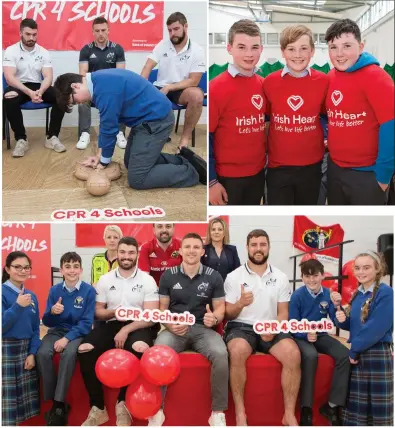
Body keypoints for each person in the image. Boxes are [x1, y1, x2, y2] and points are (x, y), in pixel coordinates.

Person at [54, 69, 205, 189]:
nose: (79, 103)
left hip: (157, 121)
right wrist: (99, 155)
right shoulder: (98, 81)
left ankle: (191, 172)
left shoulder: (105, 90)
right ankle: (181, 160)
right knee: (130, 163)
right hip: (144, 121)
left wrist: (103, 163)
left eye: (74, 101)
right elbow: (106, 125)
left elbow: (109, 129)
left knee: (138, 178)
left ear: (75, 86)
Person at [78, 237, 160, 426]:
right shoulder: (105, 280)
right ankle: (98, 408)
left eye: (131, 253)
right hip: (112, 323)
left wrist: (127, 329)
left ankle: (122, 403)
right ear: (117, 254)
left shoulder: (147, 280)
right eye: (123, 252)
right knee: (85, 348)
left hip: (138, 325)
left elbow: (151, 316)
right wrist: (114, 312)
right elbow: (98, 312)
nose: (126, 256)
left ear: (137, 255)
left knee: (139, 347)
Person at [149, 233, 228, 427]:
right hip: (174, 329)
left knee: (220, 353)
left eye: (195, 247)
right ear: (181, 250)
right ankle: (156, 410)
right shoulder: (168, 275)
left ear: (202, 251)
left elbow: (220, 308)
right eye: (187, 247)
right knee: (159, 353)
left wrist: (215, 317)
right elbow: (162, 308)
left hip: (203, 329)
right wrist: (169, 323)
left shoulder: (214, 276)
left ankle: (217, 413)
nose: (191, 251)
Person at [224, 229, 300, 426]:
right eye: (254, 245)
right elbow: (228, 314)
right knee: (237, 350)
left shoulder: (281, 277)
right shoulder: (233, 276)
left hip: (271, 326)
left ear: (268, 247)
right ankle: (241, 414)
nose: (258, 249)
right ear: (247, 248)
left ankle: (289, 415)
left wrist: (275, 328)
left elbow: (283, 312)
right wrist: (240, 303)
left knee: (293, 354)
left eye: (262, 245)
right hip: (241, 326)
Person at [325, 19, 395, 205]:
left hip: (368, 175)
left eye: (347, 46)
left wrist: (383, 175)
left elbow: (391, 126)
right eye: (333, 47)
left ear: (361, 46)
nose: (339, 54)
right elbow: (329, 116)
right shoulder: (331, 77)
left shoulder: (377, 77)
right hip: (335, 170)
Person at [263, 25, 328, 205]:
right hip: (278, 167)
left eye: (303, 48)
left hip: (312, 166)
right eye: (291, 49)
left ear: (312, 51)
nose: (297, 55)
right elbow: (266, 119)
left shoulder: (323, 81)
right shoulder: (270, 82)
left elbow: (329, 115)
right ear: (283, 52)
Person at [331, 251, 393, 426]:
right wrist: (339, 316)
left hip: (376, 354)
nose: (361, 271)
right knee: (359, 410)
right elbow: (351, 324)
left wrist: (354, 349)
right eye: (357, 268)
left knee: (376, 411)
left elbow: (376, 327)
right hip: (359, 354)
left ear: (377, 269)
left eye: (366, 267)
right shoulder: (357, 294)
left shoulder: (385, 292)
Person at [209, 19, 266, 205]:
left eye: (254, 47)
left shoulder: (264, 85)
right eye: (242, 47)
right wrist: (211, 182)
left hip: (258, 174)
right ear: (229, 48)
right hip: (227, 179)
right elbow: (208, 136)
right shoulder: (216, 87)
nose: (249, 54)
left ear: (261, 48)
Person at [36, 252, 96, 426]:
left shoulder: (88, 290)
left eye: (75, 266)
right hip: (56, 331)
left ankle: (58, 403)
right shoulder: (54, 290)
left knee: (69, 354)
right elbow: (47, 321)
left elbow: (86, 323)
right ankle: (52, 398)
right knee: (43, 353)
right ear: (61, 270)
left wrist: (67, 339)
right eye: (68, 267)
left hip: (77, 333)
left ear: (81, 270)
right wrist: (52, 312)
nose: (72, 270)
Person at [289, 259, 350, 426]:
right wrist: (304, 334)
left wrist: (338, 307)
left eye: (315, 275)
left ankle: (331, 406)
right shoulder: (297, 295)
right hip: (302, 336)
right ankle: (306, 408)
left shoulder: (328, 294)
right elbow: (292, 325)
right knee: (310, 355)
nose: (312, 280)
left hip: (321, 334)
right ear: (302, 278)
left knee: (345, 355)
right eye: (307, 276)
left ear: (322, 276)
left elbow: (337, 321)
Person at [141, 12, 206, 148]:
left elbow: (194, 80)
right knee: (141, 91)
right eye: (170, 30)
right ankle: (152, 134)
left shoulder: (197, 50)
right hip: (160, 87)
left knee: (197, 95)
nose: (172, 34)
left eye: (176, 29)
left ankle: (184, 140)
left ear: (185, 27)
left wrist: (170, 87)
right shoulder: (162, 45)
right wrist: (140, 85)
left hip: (181, 90)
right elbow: (148, 65)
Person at [3, 18, 66, 157]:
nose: (32, 38)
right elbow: (9, 77)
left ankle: (51, 137)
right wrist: (29, 92)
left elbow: (48, 76)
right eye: (28, 34)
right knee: (9, 97)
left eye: (34, 34)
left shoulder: (43, 52)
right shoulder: (11, 51)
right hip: (18, 86)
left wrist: (40, 91)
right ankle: (21, 139)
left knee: (61, 96)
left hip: (38, 86)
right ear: (20, 33)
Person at [2, 251, 41, 426]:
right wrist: (17, 306)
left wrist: (32, 353)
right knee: (5, 405)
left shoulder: (32, 296)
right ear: (7, 269)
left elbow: (35, 328)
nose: (22, 270)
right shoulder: (2, 293)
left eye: (26, 267)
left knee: (20, 408)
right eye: (17, 267)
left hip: (25, 351)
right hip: (6, 351)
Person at [77, 17, 127, 150]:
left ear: (108, 30)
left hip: (111, 91)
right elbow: (83, 74)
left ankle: (119, 132)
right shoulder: (86, 50)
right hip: (93, 91)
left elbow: (120, 75)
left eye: (103, 30)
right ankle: (85, 133)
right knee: (82, 101)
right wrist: (94, 89)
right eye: (97, 31)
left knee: (122, 97)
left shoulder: (118, 49)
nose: (100, 33)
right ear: (92, 32)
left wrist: (108, 89)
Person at [202, 217, 240, 281]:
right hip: (208, 289)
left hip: (228, 288)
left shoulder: (232, 250)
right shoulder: (203, 250)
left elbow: (238, 272)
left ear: (224, 232)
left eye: (220, 229)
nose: (216, 232)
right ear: (209, 233)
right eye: (213, 229)